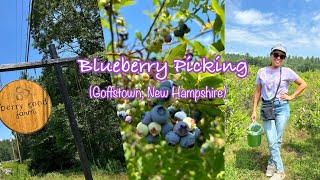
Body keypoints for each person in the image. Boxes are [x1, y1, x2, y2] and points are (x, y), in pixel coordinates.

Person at [251, 44, 307, 180]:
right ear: (271, 55)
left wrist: (291, 96)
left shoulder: (287, 71)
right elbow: (258, 92)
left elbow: (303, 84)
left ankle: (272, 164)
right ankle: (280, 170)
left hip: (282, 108)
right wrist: (254, 110)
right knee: (271, 140)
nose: (278, 58)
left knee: (278, 139)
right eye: (276, 55)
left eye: (282, 56)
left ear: (284, 58)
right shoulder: (261, 72)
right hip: (266, 107)